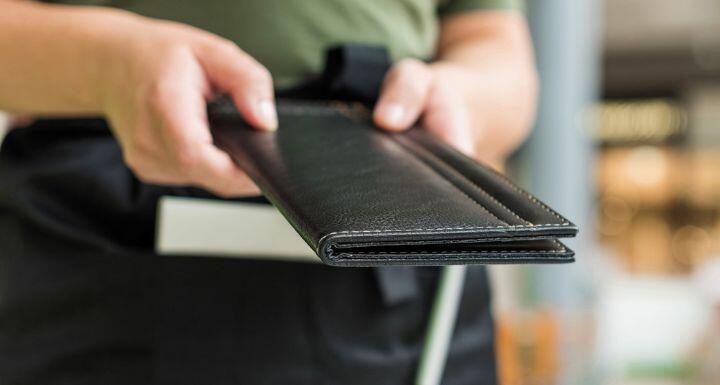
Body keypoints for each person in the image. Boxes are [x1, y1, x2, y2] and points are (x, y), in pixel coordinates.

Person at [0, 0, 538, 384]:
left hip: (402, 222)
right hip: (100, 224)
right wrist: (104, 61)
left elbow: (495, 46)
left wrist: (463, 99)